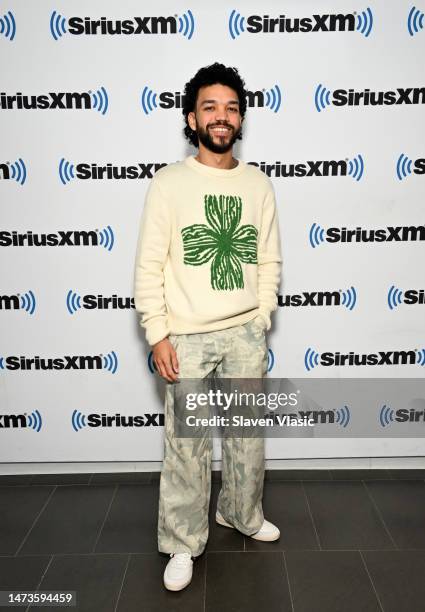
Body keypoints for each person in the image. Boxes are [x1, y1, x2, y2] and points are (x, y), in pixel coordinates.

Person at [133, 62, 282, 591]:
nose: (222, 117)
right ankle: (181, 541)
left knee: (246, 437)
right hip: (186, 336)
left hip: (244, 332)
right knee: (186, 444)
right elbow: (150, 265)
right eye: (210, 106)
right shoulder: (169, 183)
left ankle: (240, 514)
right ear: (191, 117)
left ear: (241, 119)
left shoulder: (258, 184)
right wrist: (158, 333)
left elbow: (268, 261)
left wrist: (260, 318)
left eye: (232, 107)